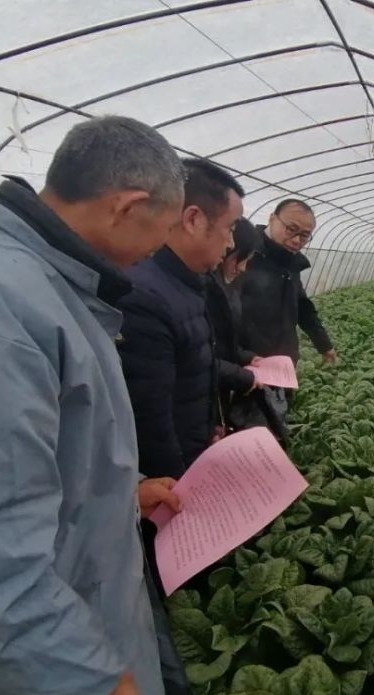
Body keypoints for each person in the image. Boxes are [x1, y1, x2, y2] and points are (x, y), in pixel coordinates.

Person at [0, 116, 184, 695]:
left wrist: (118, 493)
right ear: (129, 206)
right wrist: (77, 681)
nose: (163, 247)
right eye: (165, 227)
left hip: (61, 639)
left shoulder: (36, 284)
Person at [118, 158, 245, 480]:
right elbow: (148, 421)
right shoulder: (146, 297)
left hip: (190, 459)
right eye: (230, 228)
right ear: (193, 219)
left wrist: (206, 428)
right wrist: (179, 491)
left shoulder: (187, 283)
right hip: (164, 488)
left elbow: (191, 371)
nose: (231, 243)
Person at [236, 199, 337, 429]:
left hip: (283, 365)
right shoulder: (245, 253)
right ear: (272, 218)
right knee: (247, 427)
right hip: (248, 366)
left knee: (277, 421)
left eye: (304, 235)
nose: (296, 240)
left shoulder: (291, 263)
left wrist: (324, 344)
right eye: (291, 229)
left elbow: (302, 306)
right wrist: (239, 359)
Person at [205, 218, 287, 443]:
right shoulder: (205, 291)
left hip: (217, 391)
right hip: (204, 395)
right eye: (241, 259)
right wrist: (242, 376)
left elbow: (222, 343)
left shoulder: (226, 288)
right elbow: (201, 356)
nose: (242, 268)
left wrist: (248, 357)